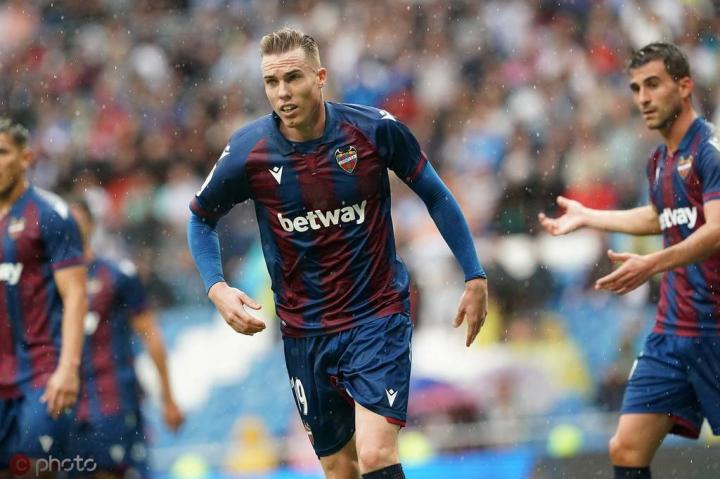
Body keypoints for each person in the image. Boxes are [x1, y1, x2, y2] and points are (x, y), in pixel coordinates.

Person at [187, 28, 488, 479]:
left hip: (376, 315)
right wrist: (216, 287)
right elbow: (200, 218)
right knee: (340, 469)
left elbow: (436, 195)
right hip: (304, 331)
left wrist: (474, 274)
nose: (283, 92)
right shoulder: (249, 151)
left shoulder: (373, 130)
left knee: (375, 454)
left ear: (320, 76)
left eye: (293, 77)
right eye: (272, 82)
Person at [539, 42, 720, 479]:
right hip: (672, 332)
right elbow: (661, 215)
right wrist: (591, 217)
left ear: (685, 86)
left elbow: (716, 229)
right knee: (626, 447)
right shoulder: (659, 161)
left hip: (716, 328)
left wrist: (651, 264)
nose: (643, 98)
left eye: (653, 85)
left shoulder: (710, 150)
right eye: (636, 88)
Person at [68, 198, 184, 478]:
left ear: (91, 225)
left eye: (76, 221)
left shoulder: (117, 275)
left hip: (116, 400)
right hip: (67, 406)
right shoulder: (46, 282)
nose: (69, 228)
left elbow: (151, 336)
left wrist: (168, 398)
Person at [0, 118, 87, 471]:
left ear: (26, 158)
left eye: (2, 152)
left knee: (33, 470)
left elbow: (76, 295)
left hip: (41, 376)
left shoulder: (50, 215)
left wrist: (68, 368)